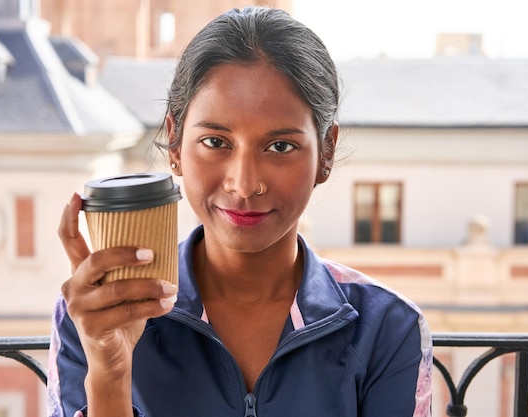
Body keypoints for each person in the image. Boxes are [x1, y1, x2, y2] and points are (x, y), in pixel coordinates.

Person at [47, 6, 432, 417]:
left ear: (326, 152)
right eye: (216, 142)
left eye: (280, 146)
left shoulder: (386, 327)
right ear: (175, 145)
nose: (244, 184)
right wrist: (109, 374)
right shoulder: (94, 316)